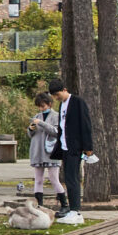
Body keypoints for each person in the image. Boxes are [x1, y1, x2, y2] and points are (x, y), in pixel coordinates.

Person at [49, 79, 93, 220]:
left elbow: (86, 125)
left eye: (57, 94)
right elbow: (62, 126)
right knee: (68, 179)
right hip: (64, 147)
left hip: (75, 147)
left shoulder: (77, 102)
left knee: (73, 178)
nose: (56, 98)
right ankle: (72, 209)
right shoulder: (62, 105)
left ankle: (75, 210)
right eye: (54, 96)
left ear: (64, 89)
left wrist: (88, 147)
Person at [29, 88, 62, 208]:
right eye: (39, 106)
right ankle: (39, 204)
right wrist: (31, 129)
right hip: (37, 151)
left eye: (43, 106)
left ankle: (63, 203)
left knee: (54, 179)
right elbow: (31, 135)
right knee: (38, 179)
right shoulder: (37, 116)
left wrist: (41, 123)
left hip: (50, 152)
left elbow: (55, 131)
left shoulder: (55, 116)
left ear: (49, 104)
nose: (41, 109)